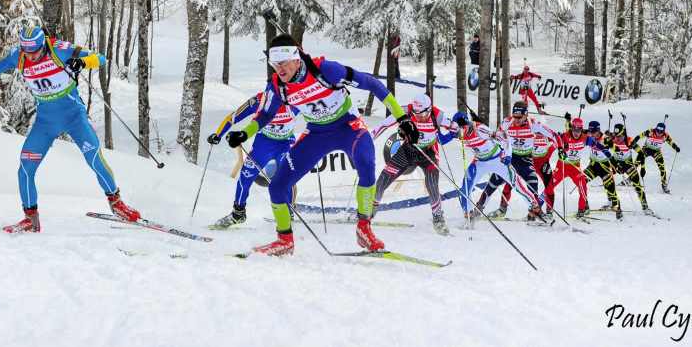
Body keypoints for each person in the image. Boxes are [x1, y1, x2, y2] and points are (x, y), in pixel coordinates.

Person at [225, 34, 418, 256]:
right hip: (317, 133)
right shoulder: (277, 87)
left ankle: (364, 229)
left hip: (349, 126)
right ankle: (284, 240)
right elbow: (266, 114)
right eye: (274, 64)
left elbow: (372, 84)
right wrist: (244, 133)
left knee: (366, 162)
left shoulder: (326, 70)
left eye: (284, 62)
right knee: (277, 185)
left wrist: (402, 118)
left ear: (297, 59)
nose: (279, 69)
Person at [0, 26, 139, 233]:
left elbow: (100, 58)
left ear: (43, 45)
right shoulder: (19, 56)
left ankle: (117, 204)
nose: (30, 57)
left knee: (94, 158)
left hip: (74, 117)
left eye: (34, 52)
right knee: (25, 168)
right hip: (45, 122)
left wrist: (81, 62)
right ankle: (31, 220)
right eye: (26, 52)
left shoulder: (59, 49)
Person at [206, 92, 299, 228]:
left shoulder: (295, 100)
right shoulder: (259, 100)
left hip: (285, 143)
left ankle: (288, 210)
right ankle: (238, 213)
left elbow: (315, 111)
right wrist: (218, 135)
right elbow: (232, 117)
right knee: (245, 176)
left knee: (286, 177)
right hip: (263, 145)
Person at [371, 93, 458, 235]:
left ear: (429, 109)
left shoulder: (438, 115)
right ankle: (369, 210)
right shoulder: (405, 111)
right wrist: (370, 137)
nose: (418, 117)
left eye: (422, 114)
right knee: (383, 178)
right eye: (416, 114)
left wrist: (456, 130)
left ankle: (438, 218)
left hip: (428, 152)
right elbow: (383, 124)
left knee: (432, 184)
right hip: (408, 150)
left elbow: (455, 128)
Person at [451, 111, 539, 225]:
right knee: (464, 188)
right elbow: (443, 136)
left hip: (496, 159)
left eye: (462, 129)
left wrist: (508, 154)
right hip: (480, 162)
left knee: (515, 183)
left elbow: (503, 137)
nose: (460, 133)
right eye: (458, 130)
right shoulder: (457, 130)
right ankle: (469, 215)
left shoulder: (480, 129)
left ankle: (534, 206)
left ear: (466, 124)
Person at [475, 101, 559, 220]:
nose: (517, 119)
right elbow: (498, 135)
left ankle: (532, 214)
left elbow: (554, 135)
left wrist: (561, 148)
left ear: (526, 115)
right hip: (511, 159)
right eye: (515, 116)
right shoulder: (507, 122)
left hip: (525, 161)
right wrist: (498, 146)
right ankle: (479, 209)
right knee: (493, 182)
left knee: (533, 183)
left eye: (519, 117)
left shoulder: (533, 124)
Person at [543, 114, 600, 219]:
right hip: (562, 166)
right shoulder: (564, 136)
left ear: (582, 130)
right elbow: (552, 146)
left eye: (579, 130)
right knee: (549, 186)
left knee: (583, 186)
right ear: (571, 128)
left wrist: (605, 150)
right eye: (574, 130)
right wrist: (547, 160)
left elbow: (596, 144)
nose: (576, 133)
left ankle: (582, 210)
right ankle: (546, 209)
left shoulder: (585, 138)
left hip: (575, 167)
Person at [604, 124, 652, 214]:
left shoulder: (630, 141)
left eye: (620, 136)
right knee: (607, 178)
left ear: (624, 134)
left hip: (628, 164)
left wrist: (643, 168)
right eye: (616, 136)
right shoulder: (612, 139)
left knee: (637, 184)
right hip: (615, 162)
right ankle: (611, 202)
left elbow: (641, 154)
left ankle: (645, 207)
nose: (618, 139)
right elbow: (604, 147)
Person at [584, 121, 622, 220]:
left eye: (593, 132)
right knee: (581, 180)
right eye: (590, 132)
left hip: (604, 167)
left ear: (598, 130)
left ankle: (617, 207)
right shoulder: (589, 135)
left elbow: (616, 149)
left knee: (610, 187)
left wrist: (616, 163)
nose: (591, 134)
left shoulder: (605, 139)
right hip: (593, 165)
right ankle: (584, 205)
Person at [631, 122, 681, 193]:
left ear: (663, 131)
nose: (659, 133)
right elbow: (640, 135)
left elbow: (671, 142)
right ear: (656, 129)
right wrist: (634, 141)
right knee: (637, 162)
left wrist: (676, 147)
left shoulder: (665, 136)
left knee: (662, 168)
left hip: (656, 152)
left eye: (661, 132)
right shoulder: (650, 132)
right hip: (646, 149)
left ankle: (664, 184)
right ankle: (630, 178)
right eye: (657, 131)